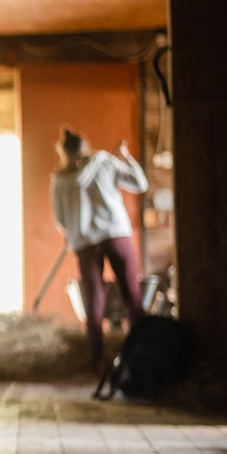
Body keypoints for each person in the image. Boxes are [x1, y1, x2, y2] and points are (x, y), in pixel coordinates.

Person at [51, 126, 148, 371]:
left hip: (85, 242)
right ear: (85, 146)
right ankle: (140, 354)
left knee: (92, 301)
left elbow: (60, 220)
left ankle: (96, 360)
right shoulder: (105, 161)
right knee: (131, 294)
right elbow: (140, 184)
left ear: (63, 152)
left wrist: (76, 226)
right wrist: (125, 157)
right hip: (116, 234)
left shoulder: (59, 180)